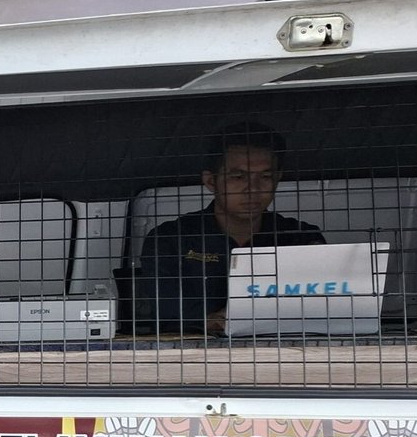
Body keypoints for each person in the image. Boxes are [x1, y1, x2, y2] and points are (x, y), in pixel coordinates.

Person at [135, 123, 324, 336]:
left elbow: (323, 307)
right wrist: (213, 320)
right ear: (211, 181)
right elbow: (166, 309)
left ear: (277, 178)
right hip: (192, 358)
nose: (253, 188)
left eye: (265, 177)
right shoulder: (170, 239)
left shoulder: (301, 237)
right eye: (238, 177)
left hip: (289, 353)